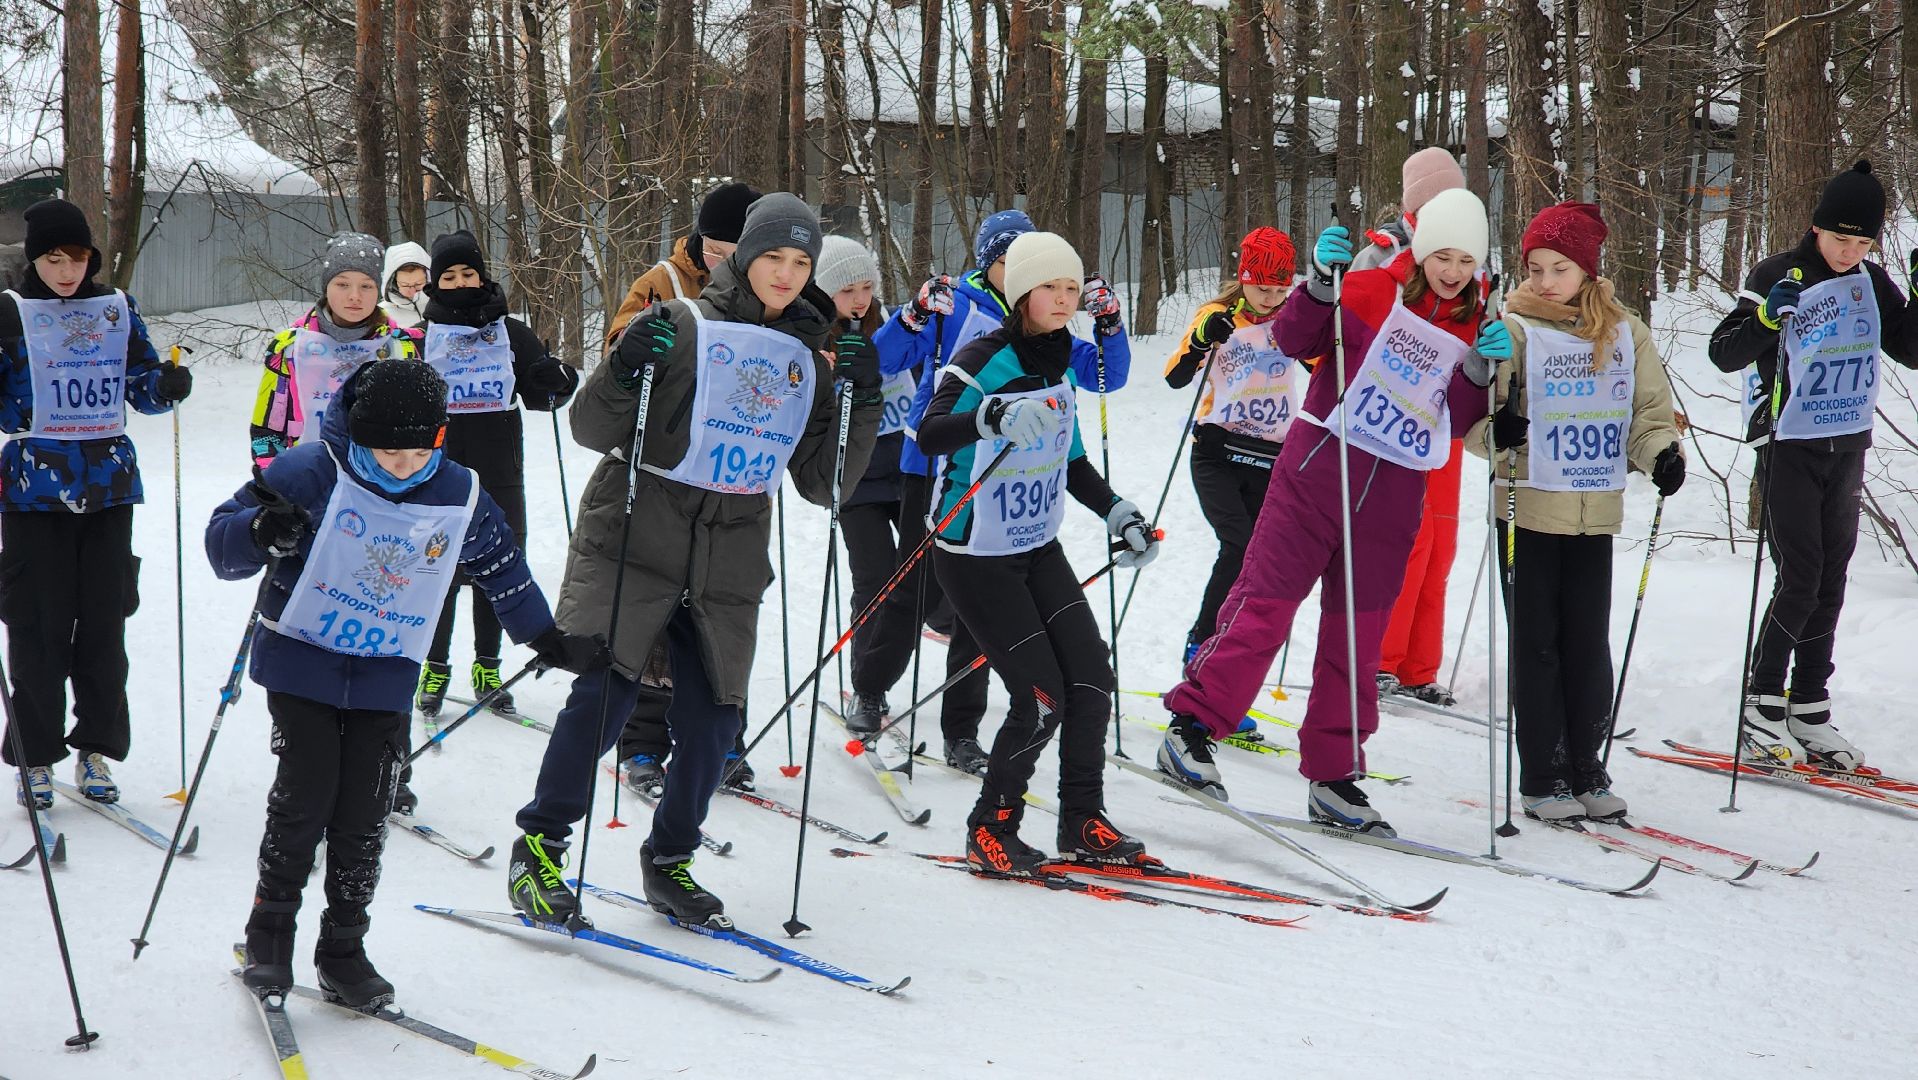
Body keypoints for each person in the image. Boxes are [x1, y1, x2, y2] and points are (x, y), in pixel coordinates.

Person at [507, 194, 881, 925]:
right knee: (604, 696)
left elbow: (822, 483)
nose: (785, 272)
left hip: (730, 550)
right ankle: (541, 851)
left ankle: (669, 860)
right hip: (636, 531)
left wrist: (858, 401)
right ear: (743, 255)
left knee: (714, 722)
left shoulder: (807, 358)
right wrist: (622, 367)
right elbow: (589, 427)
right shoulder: (682, 324)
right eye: (772, 256)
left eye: (801, 262)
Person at [206, 357, 603, 1006]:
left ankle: (343, 948)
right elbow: (223, 547)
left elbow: (501, 565)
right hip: (303, 659)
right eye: (386, 451)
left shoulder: (456, 490)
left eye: (418, 451)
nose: (401, 464)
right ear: (358, 436)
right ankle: (268, 936)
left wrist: (546, 638)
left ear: (440, 441)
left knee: (366, 812)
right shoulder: (311, 471)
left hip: (386, 668)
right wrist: (259, 531)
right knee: (306, 797)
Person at [1158, 188, 1501, 834]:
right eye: (1442, 255)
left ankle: (1335, 776)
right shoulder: (1371, 289)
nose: (1452, 270)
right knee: (1263, 604)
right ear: (1422, 249)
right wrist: (1319, 284)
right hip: (1317, 472)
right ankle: (1192, 726)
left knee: (1357, 638)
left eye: (1465, 259)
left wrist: (1481, 372)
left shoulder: (1472, 326)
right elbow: (1291, 338)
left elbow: (1453, 420)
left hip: (1393, 499)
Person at [917, 231, 1161, 871]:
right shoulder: (983, 356)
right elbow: (929, 433)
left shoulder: (1059, 361)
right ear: (1022, 291)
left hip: (1034, 544)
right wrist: (988, 418)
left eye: (1072, 288)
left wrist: (1116, 511)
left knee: (1090, 678)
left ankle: (1083, 820)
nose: (1062, 298)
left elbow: (1070, 457)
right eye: (1050, 286)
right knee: (1040, 695)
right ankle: (991, 827)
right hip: (972, 551)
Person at [872, 209, 1132, 773]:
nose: (1025, 274)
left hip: (1014, 477)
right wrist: (913, 316)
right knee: (913, 586)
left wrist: (1111, 326)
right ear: (995, 266)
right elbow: (884, 361)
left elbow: (1103, 378)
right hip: (934, 463)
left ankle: (961, 730)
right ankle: (871, 688)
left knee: (976, 619)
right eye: (1009, 261)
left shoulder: (1050, 330)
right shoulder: (958, 304)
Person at [1467, 201, 1684, 821]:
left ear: (1586, 271)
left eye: (1557, 268)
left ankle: (1587, 766)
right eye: (1534, 268)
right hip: (1527, 510)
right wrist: (1499, 430)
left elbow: (1647, 413)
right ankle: (1543, 775)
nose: (1542, 282)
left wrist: (1660, 454)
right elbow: (1476, 416)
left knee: (1588, 643)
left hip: (1593, 513)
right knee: (1537, 645)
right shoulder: (1513, 329)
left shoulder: (1624, 332)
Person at [1708, 160, 1918, 769]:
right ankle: (1761, 704)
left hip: (1847, 444)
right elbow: (1724, 354)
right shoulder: (1778, 274)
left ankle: (1810, 708)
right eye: (1840, 238)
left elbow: (1908, 349)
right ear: (1816, 227)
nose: (1850, 252)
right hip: (1789, 444)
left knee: (1831, 581)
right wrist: (1767, 318)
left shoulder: (1871, 281)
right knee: (1799, 578)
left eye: (1862, 242)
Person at [0, 198, 193, 808]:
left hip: (108, 489)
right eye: (53, 258)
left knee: (105, 628)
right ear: (35, 259)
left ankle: (97, 749)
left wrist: (164, 384)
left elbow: (140, 386)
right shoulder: (11, 314)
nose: (66, 271)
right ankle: (35, 754)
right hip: (34, 494)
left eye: (77, 257)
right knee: (38, 627)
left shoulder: (117, 310)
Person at [601, 182, 762, 795]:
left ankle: (721, 738)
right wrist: (639, 344)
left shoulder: (769, 291)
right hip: (664, 467)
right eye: (716, 249)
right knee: (658, 611)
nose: (725, 261)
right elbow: (617, 345)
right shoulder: (665, 280)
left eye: (736, 250)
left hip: (729, 475)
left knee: (719, 616)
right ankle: (642, 744)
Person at [412, 230, 580, 726]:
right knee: (437, 573)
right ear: (435, 283)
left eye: (468, 273)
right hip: (435, 472)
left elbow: (541, 391)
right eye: (449, 276)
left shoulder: (511, 331)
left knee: (496, 571)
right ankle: (434, 668)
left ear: (482, 276)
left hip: (500, 471)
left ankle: (488, 669)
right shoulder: (422, 336)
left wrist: (557, 382)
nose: (461, 283)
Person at [1163, 227, 1304, 669]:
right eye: (1263, 287)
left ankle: (1231, 658)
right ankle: (1200, 645)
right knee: (1239, 546)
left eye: (1282, 289)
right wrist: (1205, 335)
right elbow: (1176, 375)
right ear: (1244, 277)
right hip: (1217, 454)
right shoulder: (1219, 315)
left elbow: (1326, 363)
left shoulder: (1291, 318)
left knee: (1262, 561)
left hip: (1269, 459)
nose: (1271, 297)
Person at [1363, 148, 1473, 706]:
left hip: (1446, 423)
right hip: (1392, 420)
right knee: (1408, 541)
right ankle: (1380, 659)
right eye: (1430, 201)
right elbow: (1350, 321)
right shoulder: (1383, 253)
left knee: (1442, 546)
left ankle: (1419, 667)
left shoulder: (1467, 259)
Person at [813, 236, 924, 725]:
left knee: (932, 577)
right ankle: (868, 689)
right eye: (845, 291)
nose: (859, 299)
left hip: (910, 472)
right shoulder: (814, 339)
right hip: (856, 483)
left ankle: (939, 623)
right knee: (874, 581)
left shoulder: (898, 326)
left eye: (866, 287)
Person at [249, 232, 421, 468]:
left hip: (382, 487)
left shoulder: (401, 348)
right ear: (326, 286)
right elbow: (268, 429)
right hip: (309, 480)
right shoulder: (289, 349)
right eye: (342, 284)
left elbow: (420, 427)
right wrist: (278, 482)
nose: (354, 296)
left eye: (366, 286)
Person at [381, 241, 431, 329]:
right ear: (393, 282)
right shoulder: (381, 314)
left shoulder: (442, 307)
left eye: (418, 284)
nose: (412, 292)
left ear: (428, 279)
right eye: (405, 285)